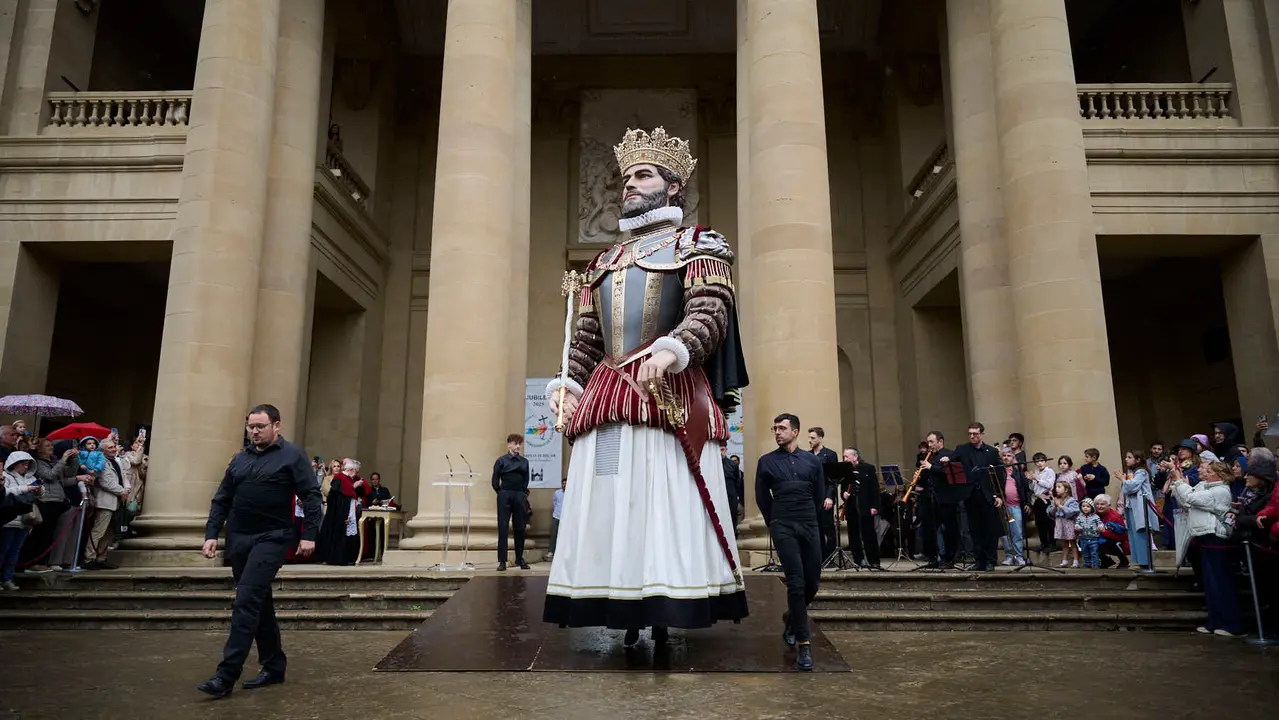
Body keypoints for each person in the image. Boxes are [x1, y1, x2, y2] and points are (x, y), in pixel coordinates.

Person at [543, 127, 749, 642]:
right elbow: (587, 337)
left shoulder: (699, 244)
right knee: (611, 501)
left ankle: (665, 601)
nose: (629, 185)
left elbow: (710, 311)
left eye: (643, 175)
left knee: (662, 499)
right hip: (607, 394)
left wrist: (674, 347)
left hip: (669, 393)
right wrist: (568, 382)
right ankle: (617, 599)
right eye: (627, 177)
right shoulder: (601, 262)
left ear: (673, 187)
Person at [197, 404, 322, 698]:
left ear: (276, 426)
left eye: (260, 426)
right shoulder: (239, 460)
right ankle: (274, 665)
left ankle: (226, 676)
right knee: (259, 602)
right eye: (250, 427)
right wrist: (211, 534)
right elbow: (222, 499)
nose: (254, 432)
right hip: (240, 539)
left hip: (273, 537)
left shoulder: (292, 455)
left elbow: (311, 496)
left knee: (246, 600)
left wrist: (310, 536)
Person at [755, 413, 822, 671]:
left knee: (813, 581)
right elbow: (762, 497)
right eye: (775, 428)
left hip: (808, 524)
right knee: (795, 581)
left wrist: (810, 519)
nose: (777, 432)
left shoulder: (811, 462)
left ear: (795, 431)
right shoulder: (767, 462)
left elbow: (819, 494)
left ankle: (792, 617)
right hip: (783, 525)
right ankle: (804, 643)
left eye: (782, 428)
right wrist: (774, 522)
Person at [1170, 459, 1240, 637]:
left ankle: (1232, 623)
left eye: (1205, 469)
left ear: (1216, 473)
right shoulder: (1204, 486)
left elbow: (1191, 498)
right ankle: (1215, 621)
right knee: (1209, 582)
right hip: (1202, 536)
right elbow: (1185, 502)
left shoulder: (1220, 491)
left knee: (1220, 581)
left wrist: (1179, 481)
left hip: (1215, 537)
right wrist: (1179, 485)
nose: (1201, 470)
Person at [942, 422, 1004, 571]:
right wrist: (946, 459)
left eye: (975, 434)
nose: (972, 436)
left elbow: (999, 475)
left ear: (982, 434)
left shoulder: (991, 452)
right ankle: (979, 560)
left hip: (988, 495)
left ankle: (990, 560)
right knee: (974, 529)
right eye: (970, 434)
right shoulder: (963, 449)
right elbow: (951, 457)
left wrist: (999, 495)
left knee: (989, 529)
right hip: (970, 495)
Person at [82, 437, 128, 570]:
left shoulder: (115, 461)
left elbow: (122, 477)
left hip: (117, 501)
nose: (114, 449)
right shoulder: (100, 462)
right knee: (98, 531)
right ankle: (89, 558)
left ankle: (101, 557)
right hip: (105, 501)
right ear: (102, 450)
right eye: (110, 448)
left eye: (114, 447)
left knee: (109, 533)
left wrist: (126, 490)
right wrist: (122, 491)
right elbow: (105, 482)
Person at [316, 459, 367, 566]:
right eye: (354, 470)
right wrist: (344, 514)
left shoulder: (347, 478)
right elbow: (335, 496)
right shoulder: (339, 478)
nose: (355, 473)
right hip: (339, 512)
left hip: (348, 510)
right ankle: (337, 559)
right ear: (350, 469)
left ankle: (347, 558)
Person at [492, 433, 530, 571]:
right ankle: (502, 561)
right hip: (504, 494)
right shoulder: (501, 461)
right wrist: (502, 493)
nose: (518, 446)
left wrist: (521, 493)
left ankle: (520, 558)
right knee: (503, 528)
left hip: (519, 494)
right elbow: (495, 481)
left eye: (520, 444)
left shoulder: (524, 462)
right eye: (515, 443)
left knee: (520, 527)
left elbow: (526, 480)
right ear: (509, 444)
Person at [1, 451, 39, 590]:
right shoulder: (6, 476)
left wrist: (38, 490)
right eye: (23, 464)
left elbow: (41, 495)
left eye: (28, 464)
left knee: (15, 551)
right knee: (3, 550)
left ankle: (8, 578)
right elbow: (5, 492)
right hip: (9, 519)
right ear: (14, 464)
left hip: (25, 519)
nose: (26, 467)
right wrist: (26, 488)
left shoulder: (30, 477)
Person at [839, 447, 880, 569]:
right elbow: (843, 487)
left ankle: (874, 560)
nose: (845, 459)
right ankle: (859, 559)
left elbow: (874, 489)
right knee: (853, 534)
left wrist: (874, 506)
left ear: (855, 457)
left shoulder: (868, 468)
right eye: (844, 457)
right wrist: (844, 494)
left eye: (847, 456)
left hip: (866, 506)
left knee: (869, 533)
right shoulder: (845, 470)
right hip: (852, 506)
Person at [918, 431, 954, 568]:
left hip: (944, 498)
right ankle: (933, 557)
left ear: (940, 442)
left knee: (946, 529)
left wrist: (931, 467)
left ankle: (948, 558)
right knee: (930, 529)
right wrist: (920, 475)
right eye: (928, 442)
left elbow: (948, 473)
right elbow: (927, 478)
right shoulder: (929, 457)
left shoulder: (949, 455)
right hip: (929, 497)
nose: (929, 445)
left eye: (932, 442)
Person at [1121, 450, 1158, 570]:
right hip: (1131, 506)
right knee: (1133, 534)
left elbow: (1133, 486)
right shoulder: (1131, 472)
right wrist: (1125, 483)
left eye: (1129, 457)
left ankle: (1145, 561)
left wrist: (1123, 480)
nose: (1126, 459)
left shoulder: (1141, 472)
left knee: (1140, 533)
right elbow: (1126, 489)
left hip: (1140, 507)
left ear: (1137, 460)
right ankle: (1137, 560)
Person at [807, 427, 840, 561]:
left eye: (813, 438)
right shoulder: (807, 455)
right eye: (809, 438)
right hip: (812, 496)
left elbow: (833, 478)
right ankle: (819, 558)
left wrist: (830, 497)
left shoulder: (830, 454)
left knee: (828, 527)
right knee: (816, 528)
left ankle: (829, 557)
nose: (809, 440)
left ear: (820, 438)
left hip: (825, 494)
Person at [997, 446, 1031, 566]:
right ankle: (1009, 556)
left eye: (1009, 455)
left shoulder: (1018, 472)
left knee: (1017, 532)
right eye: (1004, 456)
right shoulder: (998, 471)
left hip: (1016, 506)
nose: (1006, 458)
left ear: (1013, 458)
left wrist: (1027, 503)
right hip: (1003, 506)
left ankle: (1019, 556)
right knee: (1005, 534)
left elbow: (1027, 489)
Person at [1029, 452, 1057, 558]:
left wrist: (1037, 479)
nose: (1039, 463)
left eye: (1041, 461)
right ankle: (1043, 543)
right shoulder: (1036, 472)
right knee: (1039, 523)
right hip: (1037, 498)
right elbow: (1033, 488)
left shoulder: (1049, 471)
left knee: (1049, 522)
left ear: (1046, 461)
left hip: (1046, 498)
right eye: (1037, 461)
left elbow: (1049, 485)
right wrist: (1031, 480)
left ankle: (1052, 544)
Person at [1093, 495, 1129, 569]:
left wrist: (1104, 532)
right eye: (1097, 504)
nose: (1099, 506)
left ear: (1109, 505)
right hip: (1099, 538)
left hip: (1118, 541)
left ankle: (1123, 560)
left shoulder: (1116, 516)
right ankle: (1106, 561)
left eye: (1102, 504)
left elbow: (1122, 536)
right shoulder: (1093, 515)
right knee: (1084, 541)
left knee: (1111, 542)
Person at [1050, 481, 1080, 568]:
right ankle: (1064, 560)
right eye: (1056, 487)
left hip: (1068, 522)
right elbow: (1051, 513)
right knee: (1064, 542)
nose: (1056, 489)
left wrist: (1060, 506)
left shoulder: (1072, 500)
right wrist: (1055, 506)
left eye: (1059, 487)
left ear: (1066, 489)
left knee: (1072, 541)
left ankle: (1076, 560)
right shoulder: (1057, 500)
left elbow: (1073, 511)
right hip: (1060, 522)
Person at [1074, 498, 1103, 569]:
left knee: (1094, 553)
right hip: (1083, 538)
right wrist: (1077, 527)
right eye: (1083, 506)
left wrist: (1100, 527)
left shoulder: (1095, 517)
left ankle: (1096, 565)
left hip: (1094, 539)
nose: (1085, 508)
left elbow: (1100, 523)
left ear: (1092, 508)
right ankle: (1087, 565)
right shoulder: (1079, 517)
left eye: (1087, 506)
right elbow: (1076, 524)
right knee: (1085, 553)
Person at [547, 478, 566, 561]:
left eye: (566, 483)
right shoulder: (557, 493)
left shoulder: (572, 493)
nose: (564, 485)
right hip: (557, 516)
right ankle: (551, 552)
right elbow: (555, 503)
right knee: (554, 534)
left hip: (566, 517)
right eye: (563, 483)